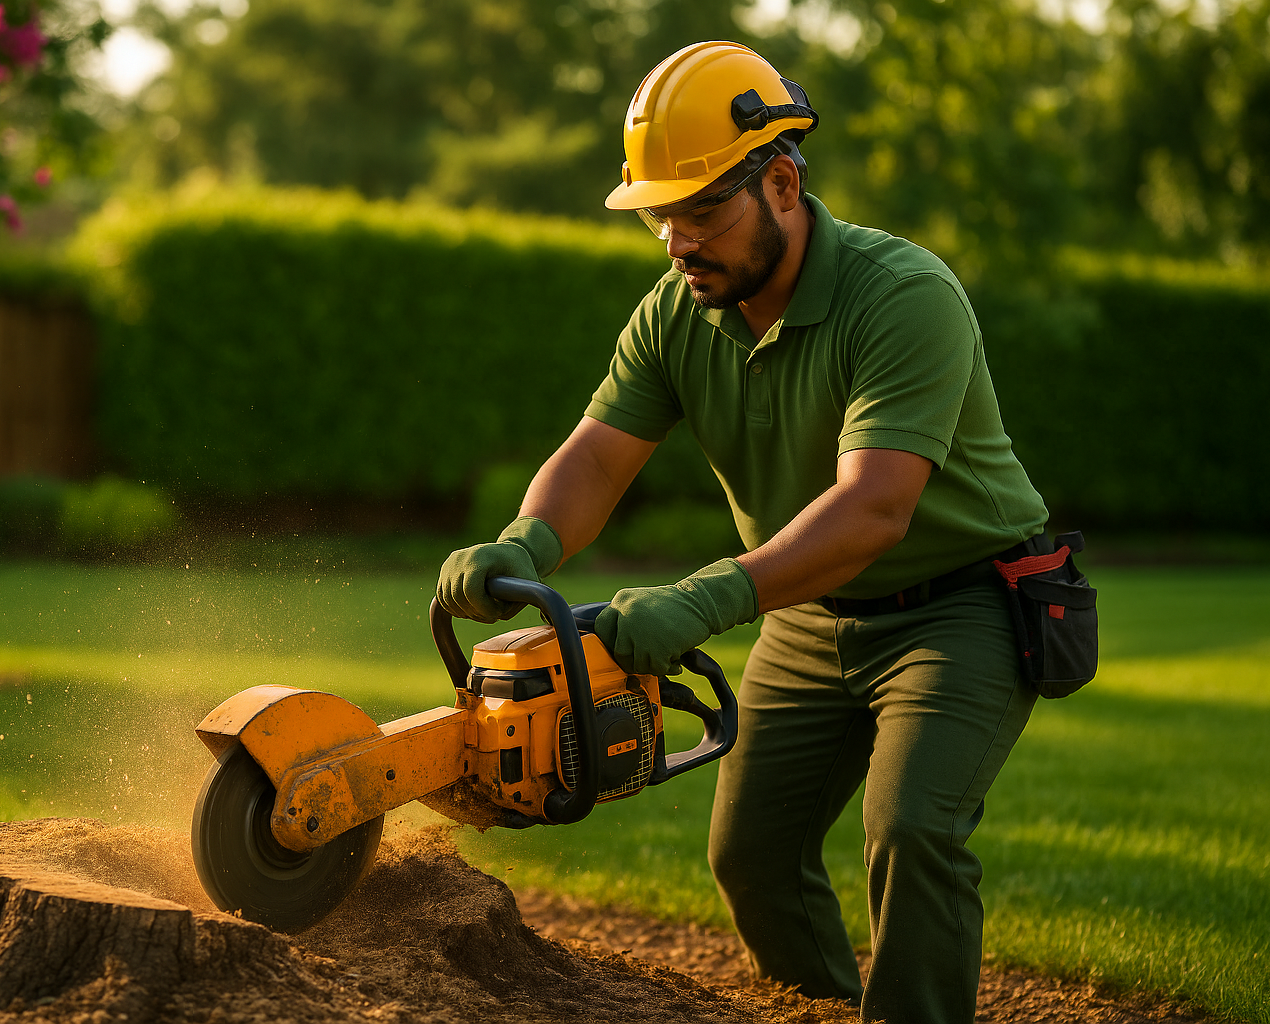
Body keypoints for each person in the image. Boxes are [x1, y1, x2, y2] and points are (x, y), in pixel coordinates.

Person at [437, 40, 1050, 1024]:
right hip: (810, 616)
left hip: (960, 606)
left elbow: (875, 507)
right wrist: (527, 545)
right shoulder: (677, 314)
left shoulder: (903, 297)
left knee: (911, 830)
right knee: (750, 854)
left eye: (700, 208)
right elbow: (597, 458)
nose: (678, 239)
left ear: (780, 182)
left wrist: (708, 595)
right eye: (659, 216)